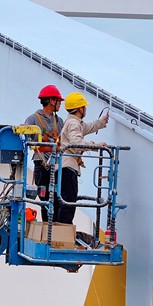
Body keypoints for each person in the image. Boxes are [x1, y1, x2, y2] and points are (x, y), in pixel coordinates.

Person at [56, 92, 109, 225]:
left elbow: (86, 127)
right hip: (68, 168)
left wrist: (101, 123)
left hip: (65, 167)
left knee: (65, 202)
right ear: (80, 108)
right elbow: (77, 142)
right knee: (68, 203)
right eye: (84, 107)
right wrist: (97, 146)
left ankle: (60, 234)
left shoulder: (73, 122)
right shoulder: (74, 124)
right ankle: (63, 235)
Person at [24, 85, 66, 221]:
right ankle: (47, 228)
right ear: (51, 101)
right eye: (58, 101)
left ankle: (55, 228)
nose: (60, 104)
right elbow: (23, 136)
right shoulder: (33, 119)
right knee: (45, 199)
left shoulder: (59, 121)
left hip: (57, 164)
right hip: (41, 163)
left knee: (58, 198)